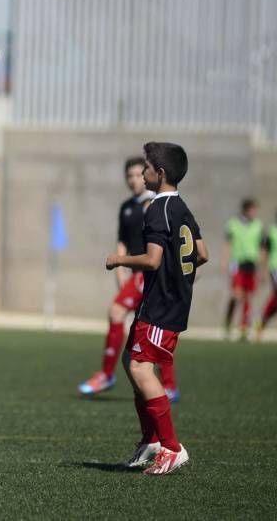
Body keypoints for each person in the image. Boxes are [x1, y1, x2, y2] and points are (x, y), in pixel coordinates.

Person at [105, 142, 208, 475]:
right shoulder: (181, 207)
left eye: (147, 167)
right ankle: (150, 439)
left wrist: (119, 259)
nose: (143, 172)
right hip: (168, 300)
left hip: (162, 304)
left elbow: (152, 260)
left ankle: (171, 447)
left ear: (159, 173)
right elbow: (202, 253)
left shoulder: (155, 209)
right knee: (130, 361)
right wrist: (180, 277)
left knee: (140, 369)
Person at [78, 157, 180, 402]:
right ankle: (166, 385)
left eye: (138, 174)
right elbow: (122, 241)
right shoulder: (127, 207)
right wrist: (120, 273)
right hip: (132, 274)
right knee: (144, 327)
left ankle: (107, 374)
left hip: (150, 274)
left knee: (127, 316)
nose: (134, 179)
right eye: (129, 176)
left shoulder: (156, 205)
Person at [222, 199, 262, 341]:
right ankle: (228, 321)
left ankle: (244, 328)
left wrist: (261, 267)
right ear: (246, 210)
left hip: (251, 264)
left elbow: (261, 248)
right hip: (237, 263)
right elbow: (228, 244)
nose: (255, 213)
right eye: (252, 210)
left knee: (247, 297)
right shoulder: (233, 224)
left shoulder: (258, 225)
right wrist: (224, 262)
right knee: (236, 295)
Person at [254, 212, 277, 342]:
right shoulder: (272, 232)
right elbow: (264, 252)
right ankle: (261, 322)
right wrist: (262, 271)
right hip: (275, 268)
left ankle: (261, 323)